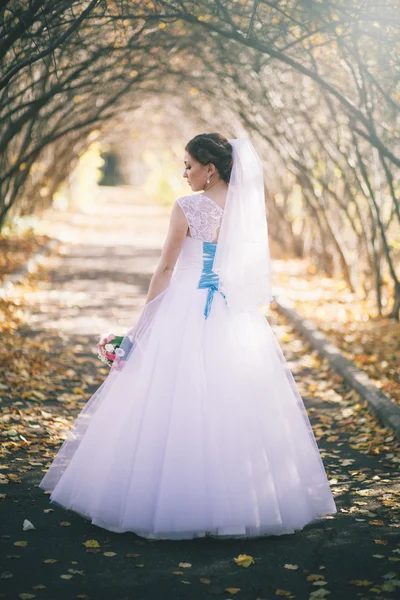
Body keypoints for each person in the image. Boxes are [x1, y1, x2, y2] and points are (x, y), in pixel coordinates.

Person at [39, 133, 337, 540]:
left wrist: (140, 328)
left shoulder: (189, 207)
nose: (184, 174)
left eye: (189, 165)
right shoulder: (245, 207)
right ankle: (245, 502)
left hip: (186, 306)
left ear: (209, 169)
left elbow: (165, 270)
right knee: (233, 405)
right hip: (233, 314)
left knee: (173, 401)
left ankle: (170, 502)